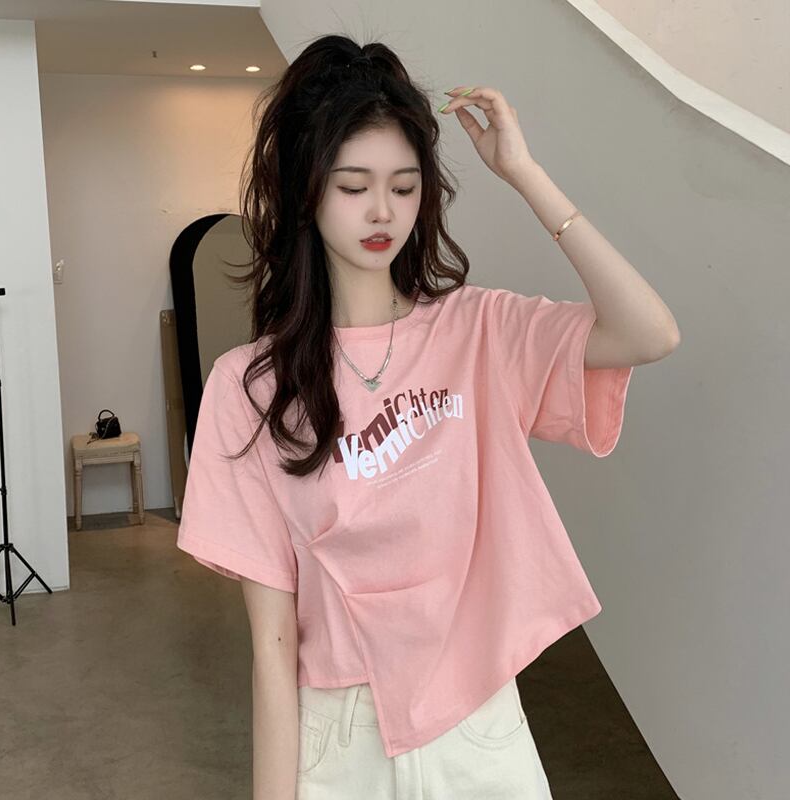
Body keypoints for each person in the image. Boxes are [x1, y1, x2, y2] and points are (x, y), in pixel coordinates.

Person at [176, 32, 680, 800]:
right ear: (305, 191)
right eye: (354, 187)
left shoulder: (476, 332)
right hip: (338, 740)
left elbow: (650, 333)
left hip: (479, 727)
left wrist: (524, 174)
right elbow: (272, 649)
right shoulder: (248, 388)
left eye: (405, 187)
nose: (383, 211)